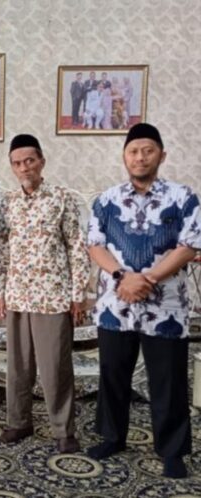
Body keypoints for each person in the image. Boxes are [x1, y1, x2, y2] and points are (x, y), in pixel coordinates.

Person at [86, 123, 201, 478]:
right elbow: (95, 245)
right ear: (125, 156)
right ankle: (112, 436)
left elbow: (189, 246)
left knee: (168, 380)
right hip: (115, 304)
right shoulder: (106, 200)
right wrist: (123, 277)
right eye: (134, 151)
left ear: (161, 156)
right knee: (112, 374)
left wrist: (147, 279)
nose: (140, 157)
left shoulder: (183, 198)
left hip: (166, 305)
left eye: (148, 150)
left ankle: (172, 450)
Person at [0, 134, 90, 453]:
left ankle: (63, 430)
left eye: (29, 161)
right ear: (12, 167)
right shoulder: (9, 201)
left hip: (53, 296)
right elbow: (2, 249)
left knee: (55, 367)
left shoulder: (62, 198)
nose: (24, 168)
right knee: (18, 366)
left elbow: (77, 247)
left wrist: (79, 293)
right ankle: (18, 422)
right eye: (17, 163)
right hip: (17, 294)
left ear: (41, 162)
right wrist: (0, 292)